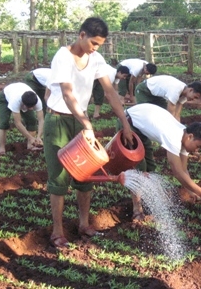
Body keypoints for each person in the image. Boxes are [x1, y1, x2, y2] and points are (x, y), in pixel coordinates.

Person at [44, 17, 133, 248]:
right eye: (93, 43)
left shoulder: (96, 58)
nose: (95, 49)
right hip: (59, 121)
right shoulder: (62, 57)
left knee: (86, 175)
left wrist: (125, 122)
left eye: (99, 45)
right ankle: (57, 231)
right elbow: (67, 94)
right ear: (81, 35)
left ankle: (84, 224)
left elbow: (110, 92)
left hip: (80, 122)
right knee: (59, 178)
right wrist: (87, 124)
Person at [122, 103, 201, 221]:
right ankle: (137, 211)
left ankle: (147, 205)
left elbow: (183, 170)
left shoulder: (184, 140)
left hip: (140, 129)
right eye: (198, 146)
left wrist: (191, 192)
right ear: (190, 137)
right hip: (129, 123)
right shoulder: (174, 136)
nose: (196, 151)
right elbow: (177, 172)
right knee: (139, 167)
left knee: (150, 168)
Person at [0, 82, 44, 155]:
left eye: (32, 106)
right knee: (4, 123)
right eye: (29, 107)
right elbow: (18, 123)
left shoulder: (37, 100)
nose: (31, 109)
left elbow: (41, 120)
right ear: (23, 104)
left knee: (32, 121)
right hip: (5, 98)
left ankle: (31, 146)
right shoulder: (15, 101)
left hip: (22, 96)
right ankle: (2, 149)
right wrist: (30, 137)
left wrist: (39, 136)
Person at [135, 75, 201, 121]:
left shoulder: (185, 95)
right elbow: (170, 114)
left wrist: (178, 127)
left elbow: (177, 113)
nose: (194, 99)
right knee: (143, 113)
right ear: (190, 90)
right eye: (195, 97)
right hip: (144, 90)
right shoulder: (176, 90)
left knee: (163, 112)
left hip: (156, 95)